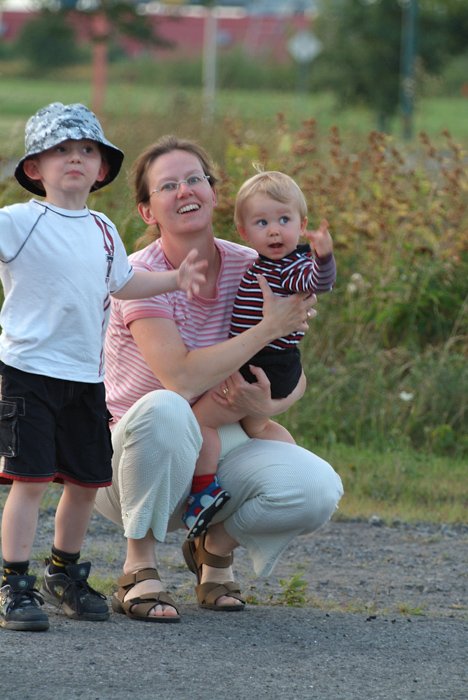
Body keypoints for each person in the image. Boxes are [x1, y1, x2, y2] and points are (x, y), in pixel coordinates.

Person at [94, 135, 344, 623]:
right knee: (167, 407)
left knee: (315, 488)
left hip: (215, 443)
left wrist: (265, 406)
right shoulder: (137, 277)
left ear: (213, 193)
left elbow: (292, 371)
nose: (185, 190)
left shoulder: (255, 266)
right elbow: (180, 378)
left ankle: (214, 550)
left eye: (195, 179)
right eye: (168, 185)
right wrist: (267, 327)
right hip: (131, 457)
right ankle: (138, 566)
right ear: (147, 211)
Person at [0, 104, 206, 633]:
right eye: (61, 150)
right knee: (30, 481)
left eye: (87, 150)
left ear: (102, 168)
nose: (76, 158)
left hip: (87, 380)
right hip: (27, 374)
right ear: (35, 168)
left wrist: (175, 279)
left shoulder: (103, 228)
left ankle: (64, 573)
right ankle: (13, 583)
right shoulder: (18, 222)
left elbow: (125, 283)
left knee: (85, 482)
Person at [183, 170, 336, 539]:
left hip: (261, 366)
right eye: (262, 222)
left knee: (199, 423)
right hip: (275, 363)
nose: (274, 231)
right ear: (244, 231)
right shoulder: (264, 263)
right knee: (258, 426)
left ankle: (203, 491)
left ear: (302, 226)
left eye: (284, 220)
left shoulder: (291, 266)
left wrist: (324, 256)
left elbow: (317, 282)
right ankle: (294, 466)